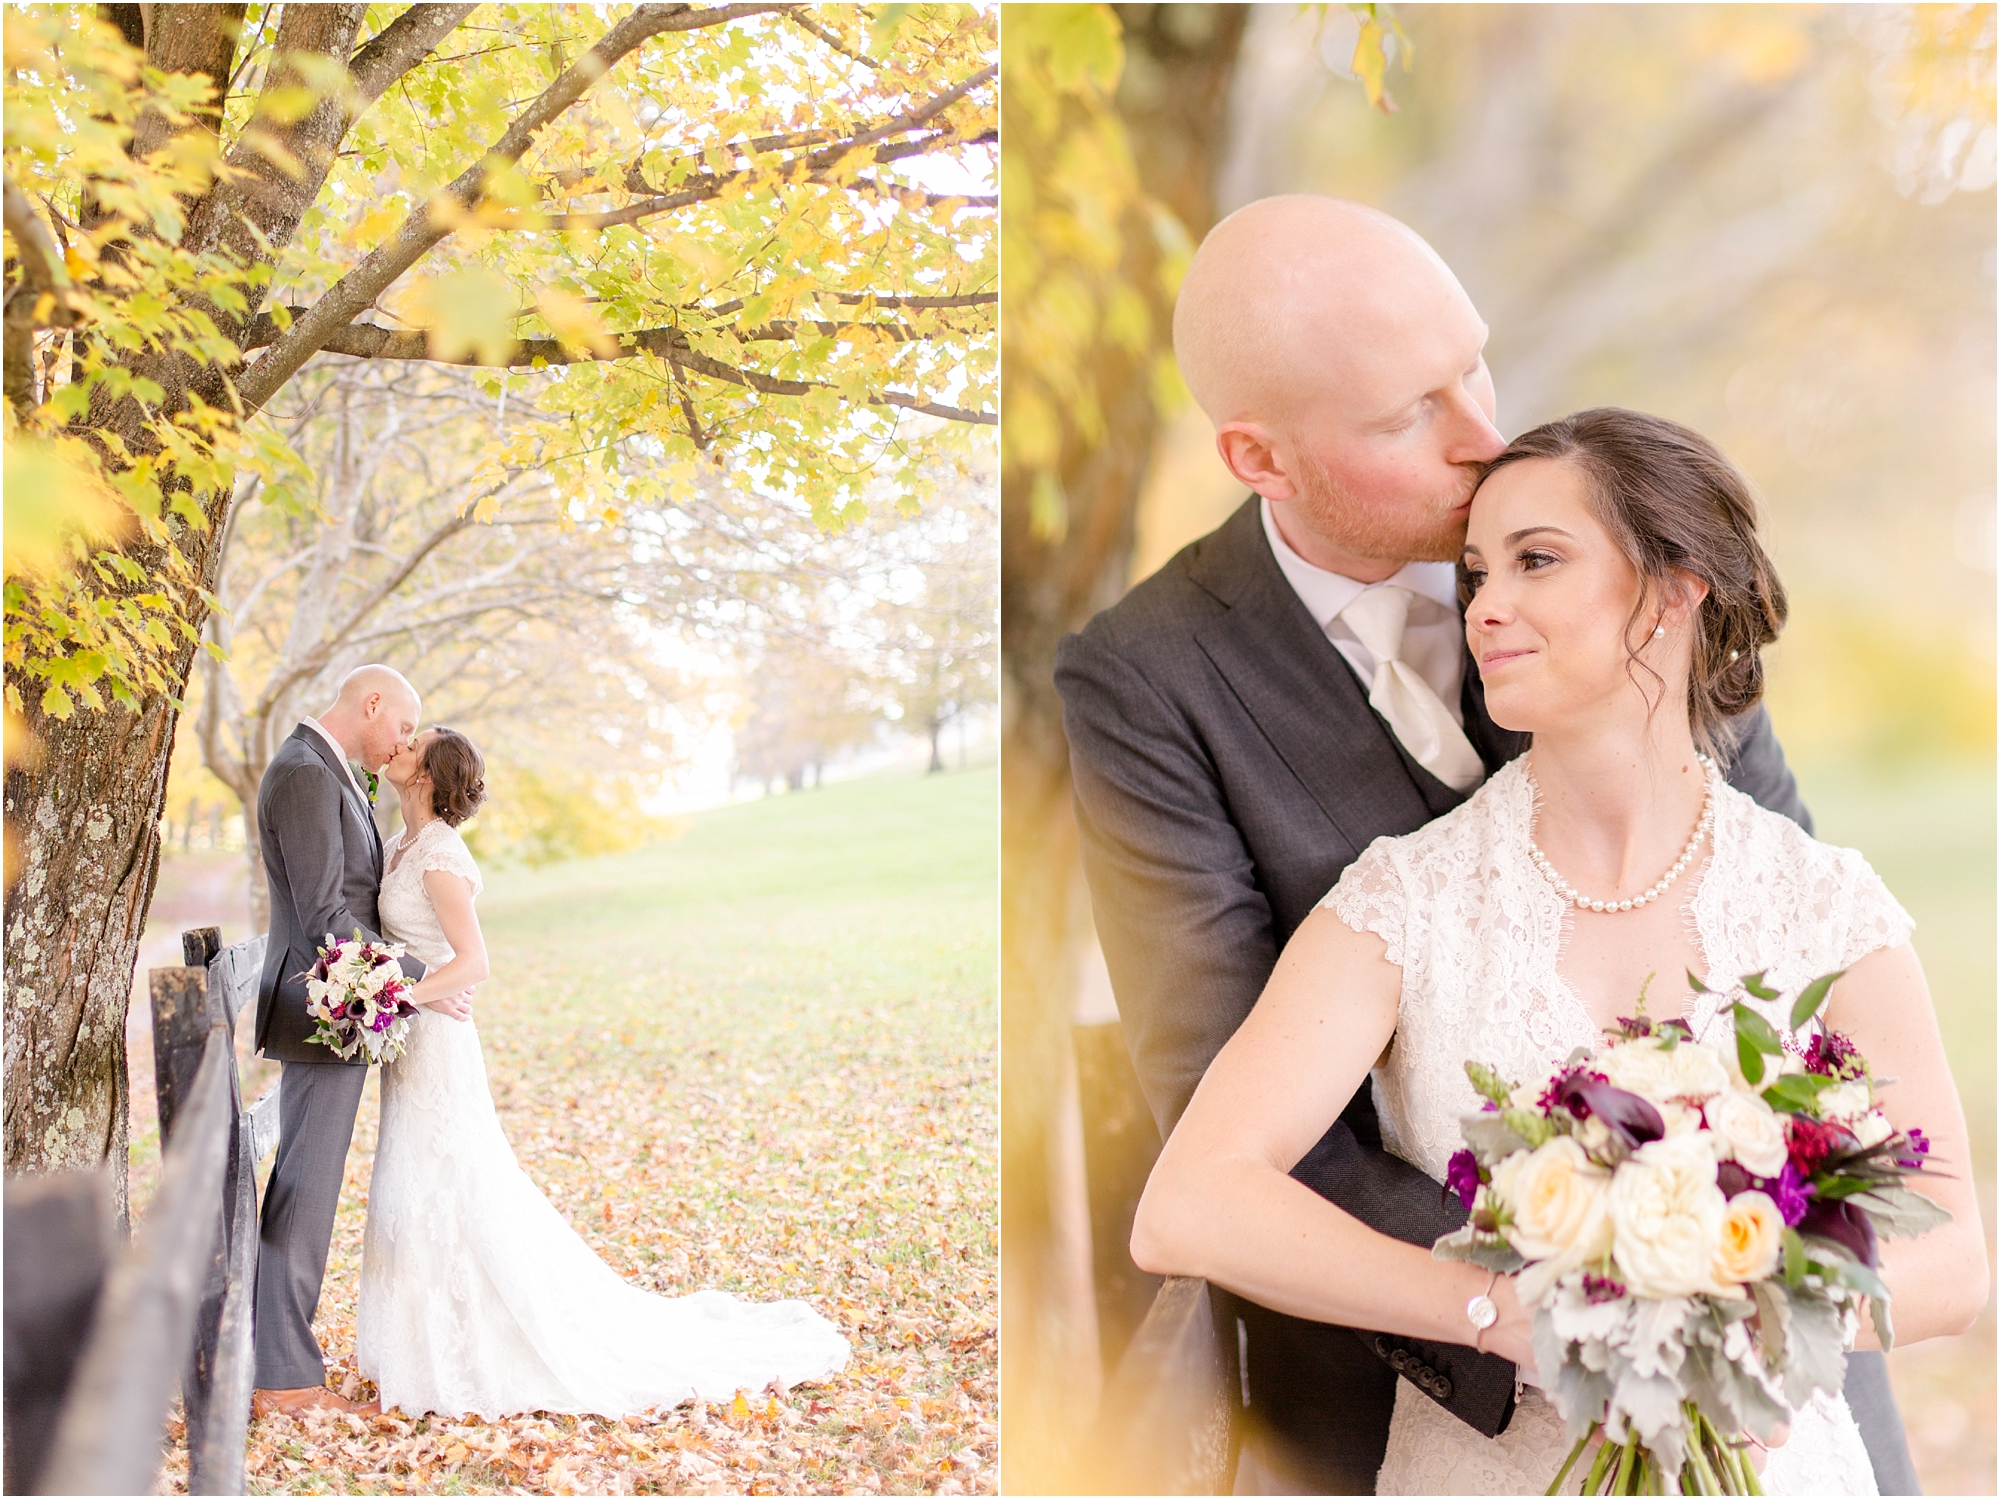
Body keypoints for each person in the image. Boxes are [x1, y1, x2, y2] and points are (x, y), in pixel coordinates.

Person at [1053, 196, 1923, 1493]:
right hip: (1421, 1392)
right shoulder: (1148, 678)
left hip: (1772, 1383)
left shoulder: (1617, 531)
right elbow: (1229, 1102)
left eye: (1475, 364)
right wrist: (1575, 1292)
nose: (1485, 432)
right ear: (1260, 456)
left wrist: (1736, 1288)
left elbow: (1785, 952)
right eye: (1412, 412)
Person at [357, 727, 851, 1416]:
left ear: (430, 776)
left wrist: (396, 993)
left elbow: (474, 962)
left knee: (446, 1176)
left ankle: (473, 1342)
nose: (404, 742)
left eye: (420, 740)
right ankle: (426, 1339)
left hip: (438, 1038)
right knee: (415, 1177)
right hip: (412, 1038)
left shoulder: (438, 854)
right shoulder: (400, 844)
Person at [251, 665, 473, 1418]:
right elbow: (323, 917)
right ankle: (284, 1378)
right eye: (404, 727)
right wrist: (421, 972)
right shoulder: (307, 772)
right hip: (323, 1012)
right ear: (371, 703)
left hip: (341, 1007)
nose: (405, 742)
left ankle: (280, 1361)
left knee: (309, 1188)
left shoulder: (326, 769)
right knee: (305, 1193)